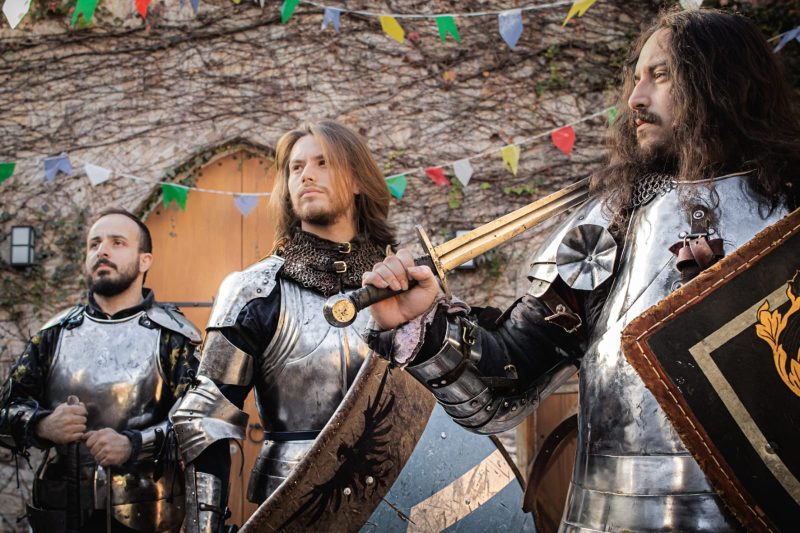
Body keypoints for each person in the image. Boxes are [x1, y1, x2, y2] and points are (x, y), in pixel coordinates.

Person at [363, 8, 800, 532]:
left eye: (660, 75)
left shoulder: (790, 221)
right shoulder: (610, 223)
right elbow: (505, 387)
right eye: (636, 78)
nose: (635, 98)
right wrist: (426, 325)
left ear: (722, 83)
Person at [171, 120, 395, 532]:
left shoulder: (400, 284)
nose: (306, 175)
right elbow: (204, 418)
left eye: (323, 163)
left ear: (357, 180)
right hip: (291, 500)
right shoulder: (253, 290)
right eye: (296, 167)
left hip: (399, 499)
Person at [0, 208, 201, 532]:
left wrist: (135, 444)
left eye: (117, 242)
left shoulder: (173, 337)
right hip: (59, 511)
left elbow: (201, 422)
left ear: (145, 260)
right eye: (94, 244)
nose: (102, 251)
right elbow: (4, 413)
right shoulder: (53, 335)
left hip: (146, 510)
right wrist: (42, 424)